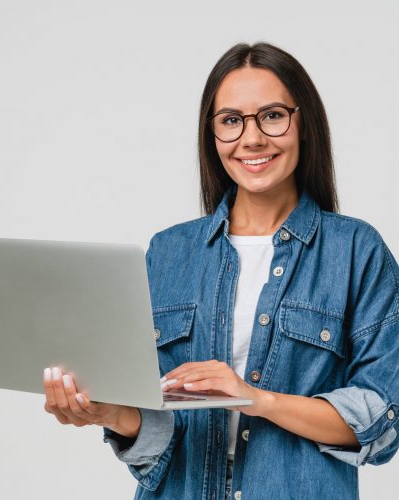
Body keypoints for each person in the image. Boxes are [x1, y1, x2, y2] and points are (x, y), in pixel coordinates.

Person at [42, 42, 399, 499]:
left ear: (302, 122)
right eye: (231, 121)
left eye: (271, 115)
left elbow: (380, 419)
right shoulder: (168, 252)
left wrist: (255, 399)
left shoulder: (354, 250)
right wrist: (109, 414)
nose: (251, 139)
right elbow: (160, 429)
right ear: (212, 136)